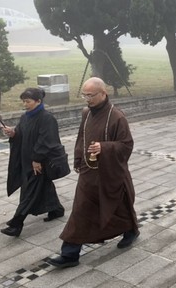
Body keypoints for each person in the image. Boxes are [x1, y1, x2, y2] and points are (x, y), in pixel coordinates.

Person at [48, 77, 139, 268]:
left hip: (111, 173)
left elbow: (126, 145)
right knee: (80, 210)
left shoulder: (117, 117)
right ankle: (70, 254)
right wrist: (79, 159)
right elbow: (82, 137)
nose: (87, 99)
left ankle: (130, 230)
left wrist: (104, 148)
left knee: (120, 206)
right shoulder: (86, 113)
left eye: (90, 95)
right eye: (84, 95)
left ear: (103, 93)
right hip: (89, 173)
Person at [0, 88, 65, 237]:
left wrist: (37, 159)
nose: (25, 104)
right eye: (23, 101)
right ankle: (56, 209)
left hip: (39, 162)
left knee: (29, 192)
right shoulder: (25, 117)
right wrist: (13, 133)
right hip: (26, 160)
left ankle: (16, 223)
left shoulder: (47, 118)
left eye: (28, 101)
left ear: (38, 101)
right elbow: (21, 134)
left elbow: (46, 141)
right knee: (43, 185)